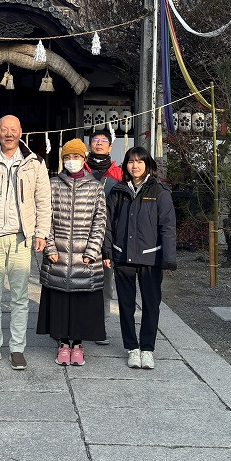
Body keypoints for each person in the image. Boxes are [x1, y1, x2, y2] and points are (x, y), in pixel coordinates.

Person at [0, 115, 51, 371]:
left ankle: (17, 348)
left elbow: (43, 200)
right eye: (4, 129)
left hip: (20, 237)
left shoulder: (34, 163)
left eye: (13, 129)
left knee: (19, 297)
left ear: (21, 132)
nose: (8, 133)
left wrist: (41, 233)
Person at [103, 146, 176, 370]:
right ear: (125, 165)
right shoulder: (118, 191)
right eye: (131, 162)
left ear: (148, 165)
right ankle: (132, 348)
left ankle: (147, 349)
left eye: (140, 162)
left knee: (151, 305)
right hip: (123, 255)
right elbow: (107, 224)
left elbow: (168, 226)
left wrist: (168, 258)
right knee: (126, 305)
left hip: (150, 257)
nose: (135, 166)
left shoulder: (160, 191)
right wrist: (107, 251)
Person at [37, 138, 107, 366]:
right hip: (58, 254)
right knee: (60, 300)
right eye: (67, 157)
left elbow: (100, 221)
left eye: (76, 157)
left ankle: (78, 344)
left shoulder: (96, 186)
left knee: (80, 302)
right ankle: (63, 343)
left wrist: (93, 249)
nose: (71, 161)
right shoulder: (53, 184)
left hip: (85, 256)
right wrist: (49, 247)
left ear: (84, 159)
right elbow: (45, 216)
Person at [84, 129, 123, 344]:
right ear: (89, 144)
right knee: (79, 279)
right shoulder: (81, 169)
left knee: (105, 284)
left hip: (108, 236)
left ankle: (102, 325)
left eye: (103, 141)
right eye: (95, 140)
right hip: (80, 234)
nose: (99, 144)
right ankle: (79, 323)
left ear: (110, 146)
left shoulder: (118, 173)